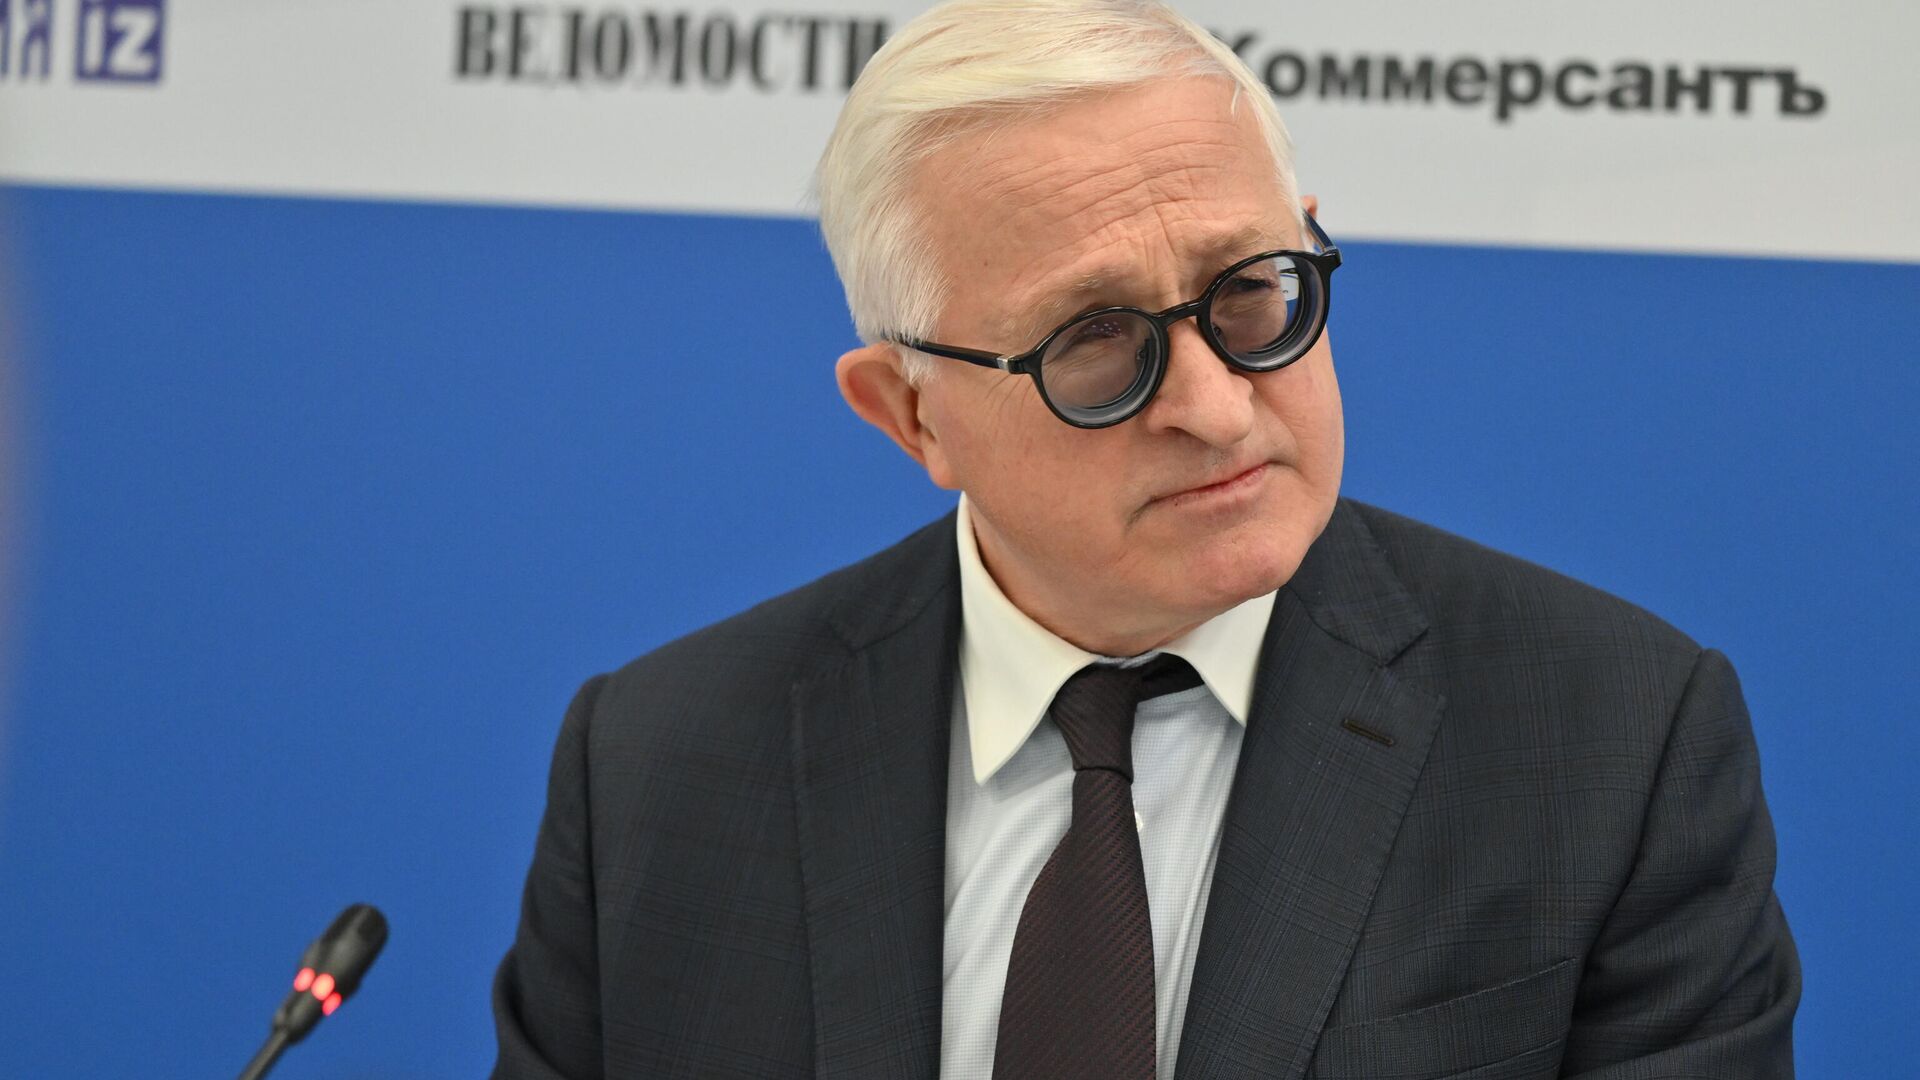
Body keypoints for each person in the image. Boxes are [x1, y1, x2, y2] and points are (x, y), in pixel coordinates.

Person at [490, 1, 1799, 1076]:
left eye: (1252, 294)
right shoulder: (656, 766)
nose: (1217, 408)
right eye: (1096, 344)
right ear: (911, 413)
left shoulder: (1614, 738)